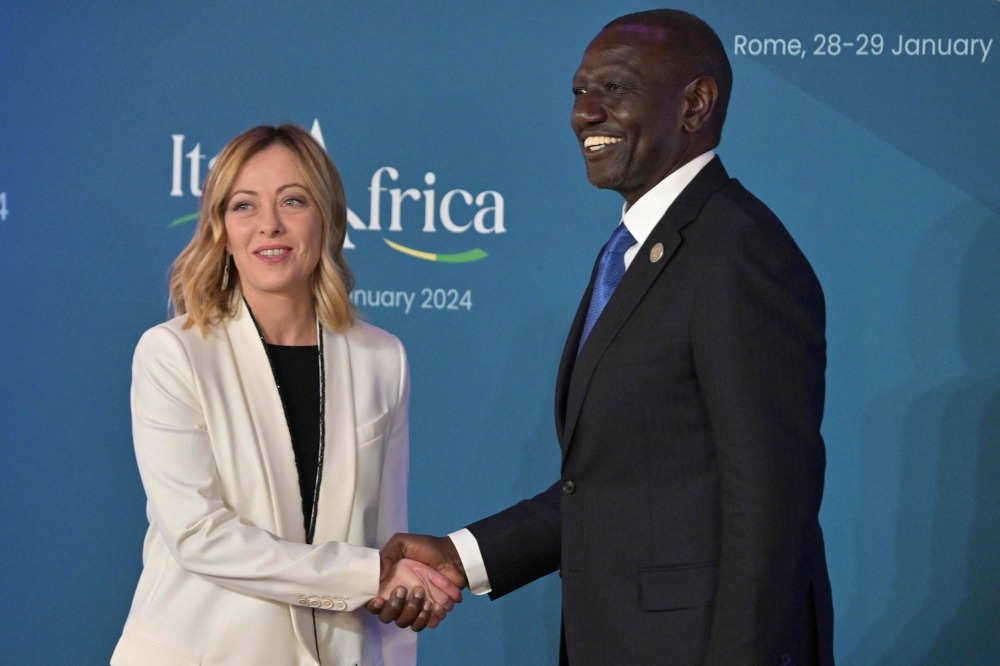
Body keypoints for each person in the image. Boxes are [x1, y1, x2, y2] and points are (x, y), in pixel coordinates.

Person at [367, 9, 834, 665]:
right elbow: (614, 487)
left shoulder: (738, 252)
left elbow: (771, 507)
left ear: (695, 104)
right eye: (580, 91)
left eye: (614, 88)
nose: (584, 113)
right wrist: (461, 555)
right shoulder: (635, 250)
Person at [111, 124, 461, 666]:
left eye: (292, 201)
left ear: (327, 217)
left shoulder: (381, 358)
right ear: (221, 228)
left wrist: (392, 607)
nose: (269, 224)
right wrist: (369, 574)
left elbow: (387, 536)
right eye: (244, 206)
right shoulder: (174, 353)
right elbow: (198, 533)